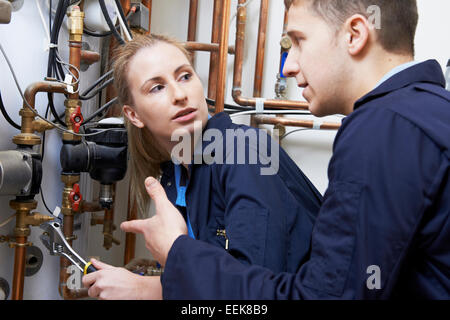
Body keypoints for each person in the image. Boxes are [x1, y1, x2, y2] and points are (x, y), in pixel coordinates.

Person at [120, 0, 450, 299]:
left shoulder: (385, 130)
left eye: (299, 40)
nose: (288, 67)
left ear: (355, 34)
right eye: (158, 87)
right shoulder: (420, 116)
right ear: (132, 115)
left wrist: (174, 261)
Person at [82, 34, 323, 299]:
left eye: (185, 76)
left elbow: (256, 298)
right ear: (134, 115)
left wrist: (148, 290)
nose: (180, 95)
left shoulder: (243, 153)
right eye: (157, 87)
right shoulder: (174, 175)